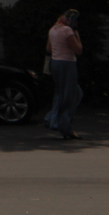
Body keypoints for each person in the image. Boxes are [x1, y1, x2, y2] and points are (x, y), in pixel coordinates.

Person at [45, 10, 83, 140]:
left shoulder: (52, 30)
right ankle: (65, 127)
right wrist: (77, 35)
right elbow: (78, 50)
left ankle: (52, 118)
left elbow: (48, 49)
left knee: (65, 93)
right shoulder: (68, 31)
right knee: (69, 95)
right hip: (67, 64)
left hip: (55, 63)